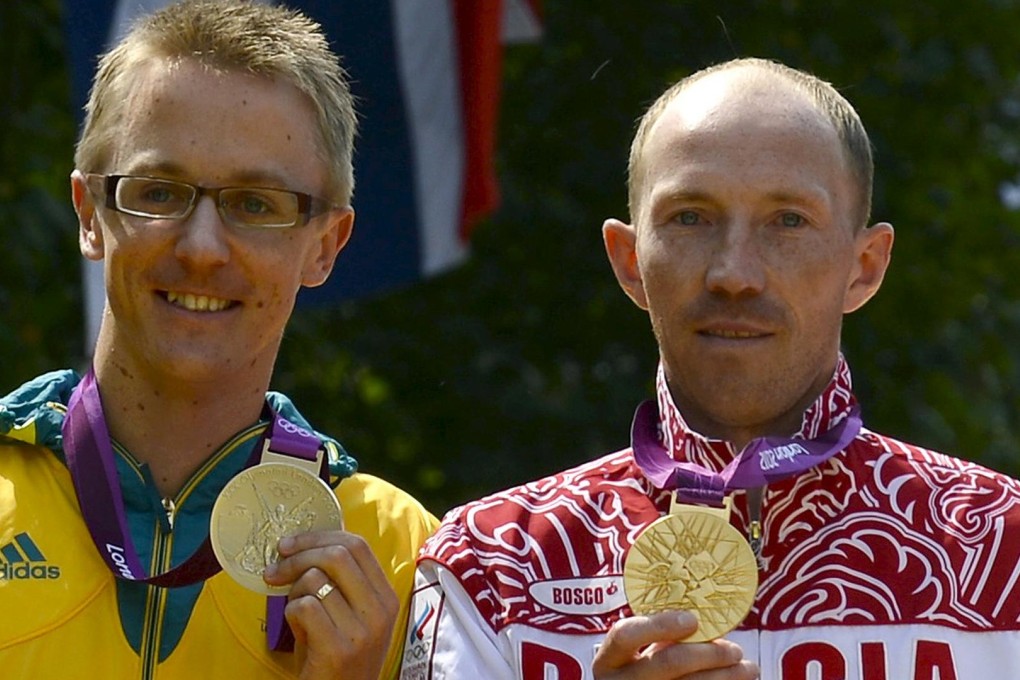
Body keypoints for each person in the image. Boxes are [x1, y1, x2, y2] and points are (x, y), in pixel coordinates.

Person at [399, 58, 1020, 680]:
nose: (734, 275)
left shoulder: (1002, 546)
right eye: (690, 217)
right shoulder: (491, 565)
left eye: (789, 221)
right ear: (629, 260)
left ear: (865, 265)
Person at [0, 1, 437, 678]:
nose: (202, 247)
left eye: (256, 204)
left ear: (326, 245)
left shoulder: (401, 552)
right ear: (90, 215)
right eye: (159, 192)